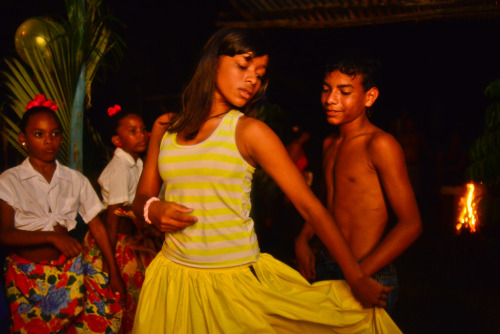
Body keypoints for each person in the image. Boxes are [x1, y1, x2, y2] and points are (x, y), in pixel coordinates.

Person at [131, 28, 399, 333]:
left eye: (259, 74)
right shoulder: (166, 126)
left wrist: (357, 278)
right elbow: (142, 196)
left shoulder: (250, 132)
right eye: (243, 66)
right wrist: (153, 210)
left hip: (232, 282)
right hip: (172, 277)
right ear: (213, 62)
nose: (252, 80)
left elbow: (311, 207)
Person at [294, 52, 423, 315]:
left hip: (370, 271)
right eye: (326, 90)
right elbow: (326, 204)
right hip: (328, 266)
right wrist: (303, 239)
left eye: (344, 92)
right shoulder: (330, 144)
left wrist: (358, 276)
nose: (331, 99)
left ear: (369, 97)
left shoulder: (380, 145)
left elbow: (411, 225)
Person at [0, 95, 125, 333]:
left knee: (102, 316)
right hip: (27, 278)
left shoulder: (74, 179)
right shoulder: (9, 180)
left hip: (69, 272)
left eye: (55, 134)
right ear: (23, 139)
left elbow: (97, 226)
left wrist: (114, 270)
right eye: (39, 134)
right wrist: (51, 236)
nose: (49, 141)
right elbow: (4, 234)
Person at [82, 104, 163, 333]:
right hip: (116, 242)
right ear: (118, 141)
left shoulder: (138, 163)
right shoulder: (119, 167)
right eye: (133, 131)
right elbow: (113, 218)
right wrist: (112, 266)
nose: (142, 135)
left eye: (143, 129)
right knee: (121, 303)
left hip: (134, 241)